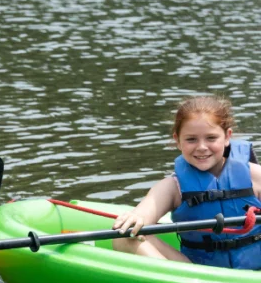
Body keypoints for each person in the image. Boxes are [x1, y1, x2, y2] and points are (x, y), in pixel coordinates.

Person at [112, 95, 261, 269]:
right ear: (178, 140)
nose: (202, 147)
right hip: (196, 274)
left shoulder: (254, 175)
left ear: (227, 137)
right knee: (124, 237)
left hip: (256, 273)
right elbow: (145, 213)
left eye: (211, 138)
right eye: (191, 139)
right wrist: (137, 217)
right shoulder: (172, 187)